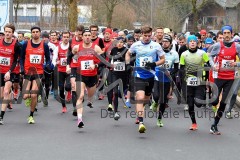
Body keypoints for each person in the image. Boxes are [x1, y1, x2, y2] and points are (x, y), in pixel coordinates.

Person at [125, 25, 165, 133]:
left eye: (149, 35)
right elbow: (128, 54)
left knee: (146, 100)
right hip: (139, 75)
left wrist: (154, 63)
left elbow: (163, 59)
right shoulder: (136, 45)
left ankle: (139, 112)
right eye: (145, 35)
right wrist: (128, 64)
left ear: (152, 35)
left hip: (151, 76)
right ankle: (141, 122)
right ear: (141, 35)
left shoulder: (156, 46)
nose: (147, 38)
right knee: (140, 97)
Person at [209, 25, 240, 135]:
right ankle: (213, 103)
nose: (226, 35)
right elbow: (210, 57)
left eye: (228, 33)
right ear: (222, 34)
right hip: (219, 77)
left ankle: (214, 125)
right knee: (215, 100)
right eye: (225, 33)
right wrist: (213, 65)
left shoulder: (237, 46)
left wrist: (236, 63)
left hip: (230, 78)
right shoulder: (218, 45)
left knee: (223, 103)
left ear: (232, 34)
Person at [71, 29, 103, 128]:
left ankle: (89, 101)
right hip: (80, 75)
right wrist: (71, 67)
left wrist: (95, 66)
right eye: (85, 35)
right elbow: (72, 57)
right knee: (80, 97)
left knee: (90, 95)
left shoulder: (96, 48)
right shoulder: (77, 48)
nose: (88, 37)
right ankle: (80, 119)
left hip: (92, 75)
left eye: (89, 35)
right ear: (82, 37)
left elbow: (103, 61)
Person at [20, 26, 51, 124]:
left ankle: (31, 115)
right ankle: (29, 98)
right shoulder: (26, 44)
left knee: (33, 95)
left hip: (39, 72)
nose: (35, 33)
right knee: (25, 96)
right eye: (33, 32)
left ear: (40, 33)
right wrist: (22, 68)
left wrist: (47, 65)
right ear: (31, 33)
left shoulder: (44, 45)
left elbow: (48, 58)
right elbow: (21, 58)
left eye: (37, 32)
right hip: (27, 72)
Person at [179, 35, 209, 131]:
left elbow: (207, 65)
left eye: (194, 41)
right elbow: (182, 68)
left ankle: (201, 97)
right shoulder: (184, 54)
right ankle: (194, 123)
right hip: (188, 82)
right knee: (190, 104)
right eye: (190, 41)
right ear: (187, 44)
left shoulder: (202, 53)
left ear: (197, 43)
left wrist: (206, 80)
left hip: (199, 81)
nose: (192, 42)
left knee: (198, 103)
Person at [151, 34, 179, 127]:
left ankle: (159, 118)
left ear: (170, 43)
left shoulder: (174, 54)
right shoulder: (157, 52)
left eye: (166, 42)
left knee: (163, 101)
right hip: (157, 76)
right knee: (156, 95)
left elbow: (176, 68)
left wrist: (170, 73)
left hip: (166, 79)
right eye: (163, 42)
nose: (164, 43)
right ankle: (155, 102)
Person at [0, 23, 21, 125]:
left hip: (9, 72)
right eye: (6, 31)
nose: (7, 33)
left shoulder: (16, 45)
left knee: (6, 92)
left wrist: (9, 71)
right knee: (2, 95)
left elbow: (15, 61)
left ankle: (1, 116)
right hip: (0, 70)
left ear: (12, 33)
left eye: (9, 32)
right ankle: (8, 98)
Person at [66, 25, 85, 116]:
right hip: (73, 66)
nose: (79, 35)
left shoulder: (86, 41)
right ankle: (75, 108)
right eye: (78, 33)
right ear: (75, 32)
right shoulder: (71, 41)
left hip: (83, 68)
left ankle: (80, 98)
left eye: (81, 34)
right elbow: (69, 54)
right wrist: (67, 65)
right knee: (73, 86)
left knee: (80, 89)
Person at [52, 30, 71, 113]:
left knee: (67, 86)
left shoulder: (71, 47)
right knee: (61, 89)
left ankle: (69, 91)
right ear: (61, 37)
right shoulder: (58, 48)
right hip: (60, 70)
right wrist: (55, 63)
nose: (66, 38)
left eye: (67, 37)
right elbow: (54, 58)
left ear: (69, 37)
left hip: (69, 70)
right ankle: (64, 106)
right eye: (64, 37)